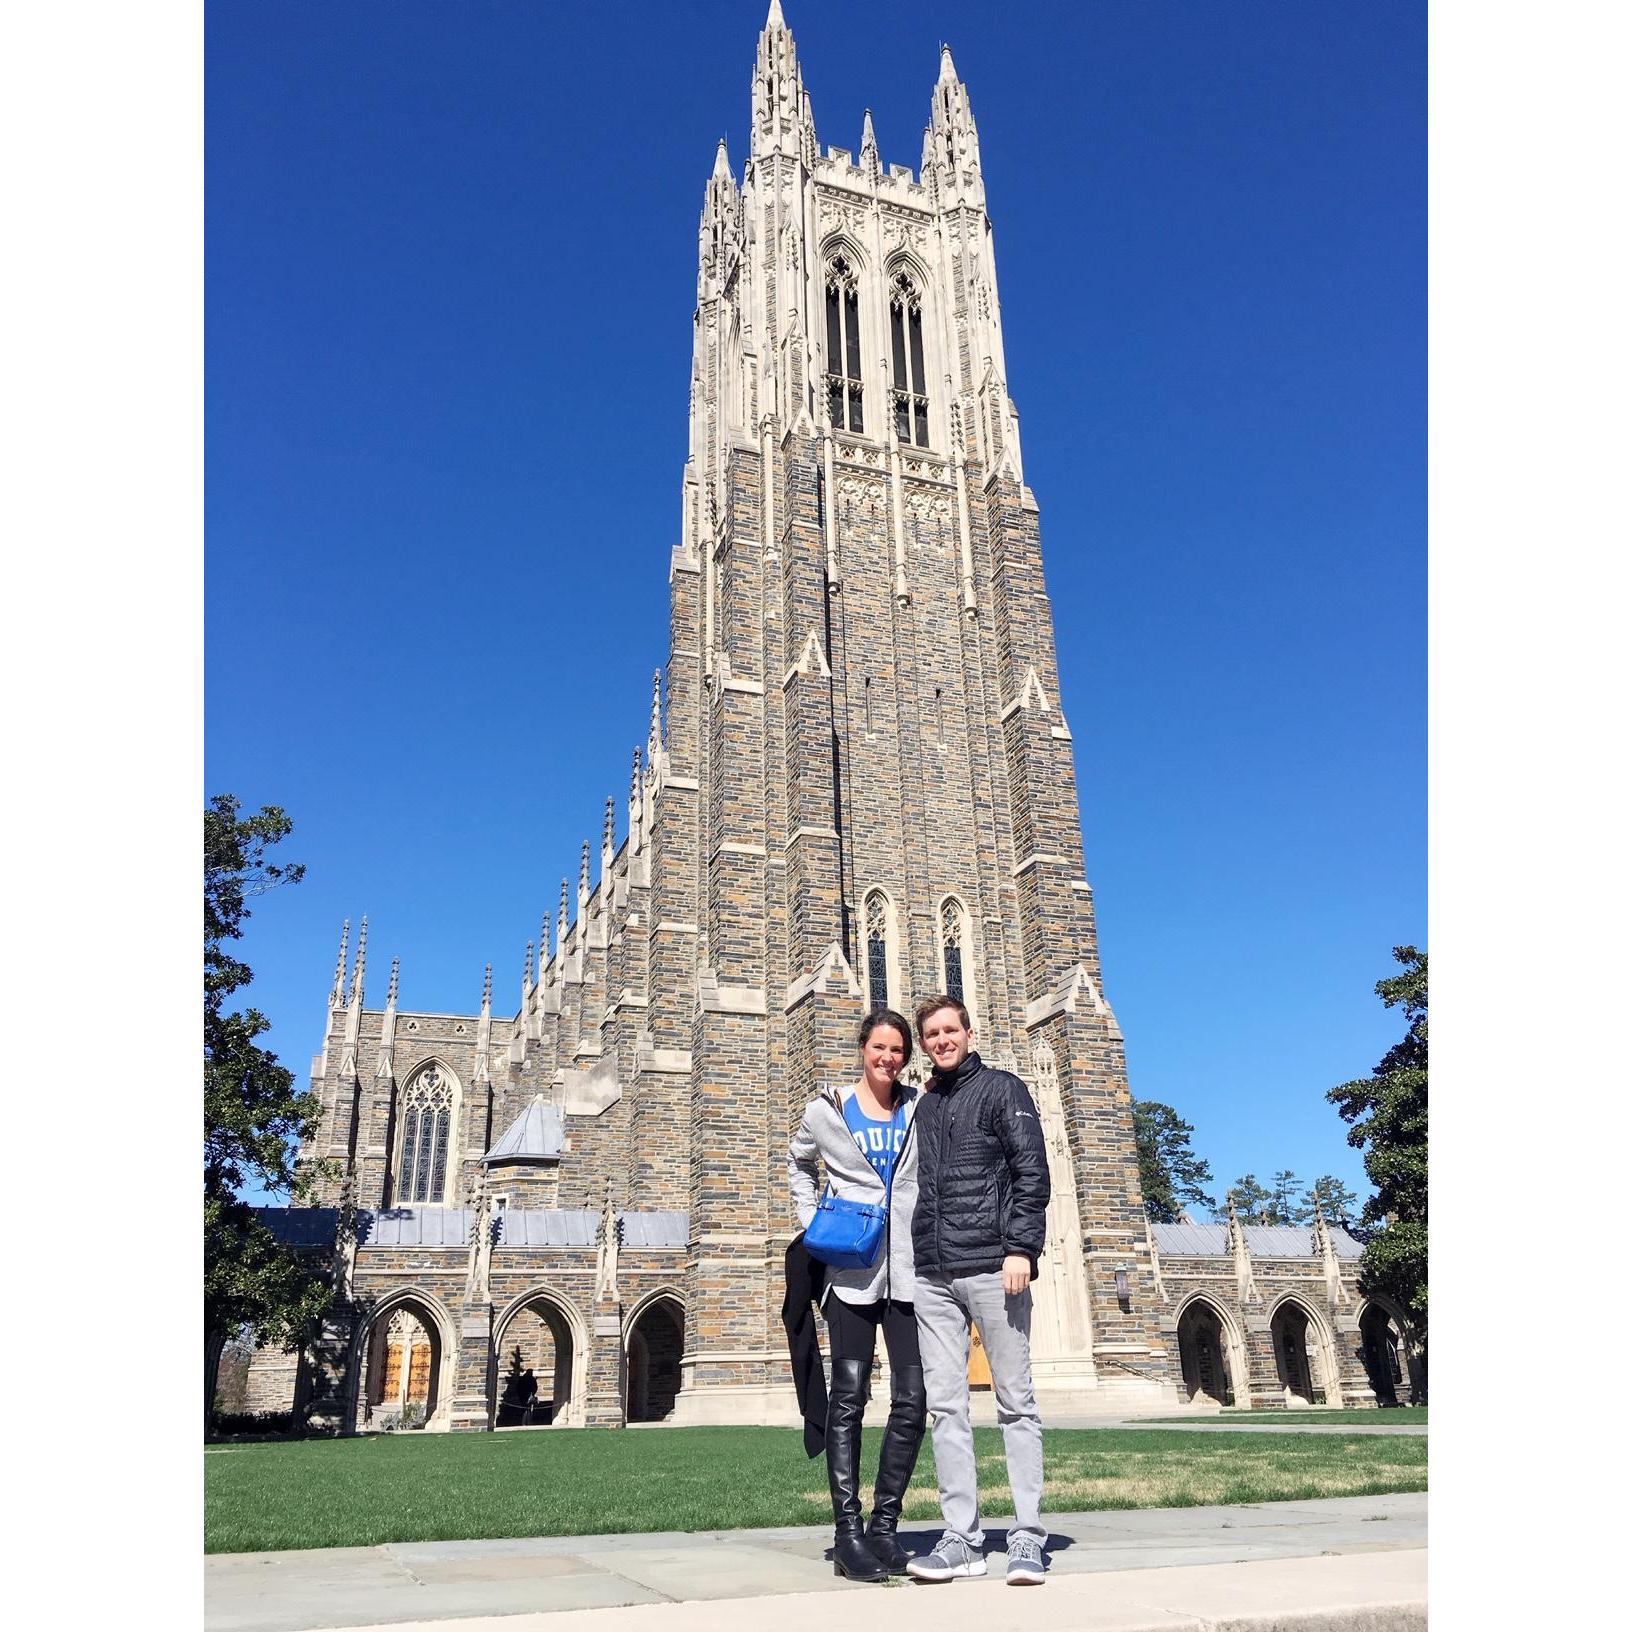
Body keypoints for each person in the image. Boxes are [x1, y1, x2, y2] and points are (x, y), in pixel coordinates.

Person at [905, 995, 1050, 1587]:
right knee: (946, 1409)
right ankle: (962, 1540)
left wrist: (1022, 1247)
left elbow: (1031, 1171)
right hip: (934, 1274)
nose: (942, 1040)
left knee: (1015, 1404)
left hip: (994, 1266)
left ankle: (1027, 1536)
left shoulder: (1003, 1089)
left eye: (950, 1030)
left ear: (969, 1032)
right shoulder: (925, 1104)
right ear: (924, 1044)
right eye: (931, 1034)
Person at [788, 1009, 925, 1582]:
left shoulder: (921, 1106)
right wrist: (813, 1222)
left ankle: (884, 1528)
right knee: (848, 1399)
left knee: (913, 1399)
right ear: (862, 1049)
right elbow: (798, 1161)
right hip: (850, 1273)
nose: (888, 1058)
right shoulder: (827, 1109)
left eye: (897, 1050)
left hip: (911, 1273)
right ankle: (847, 1534)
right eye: (879, 1047)